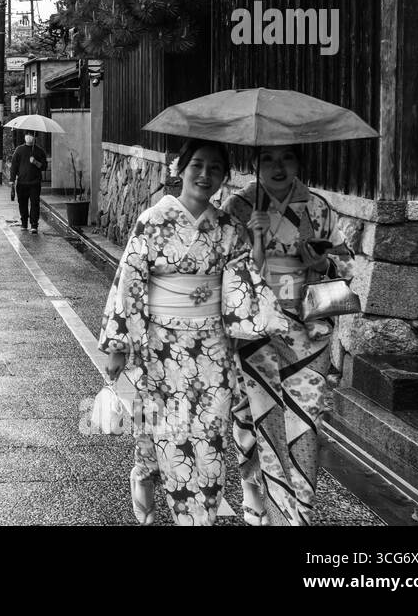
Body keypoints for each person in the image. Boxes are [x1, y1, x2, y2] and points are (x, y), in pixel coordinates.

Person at [100, 139, 285, 526]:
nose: (205, 175)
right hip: (161, 348)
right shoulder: (152, 220)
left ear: (225, 177)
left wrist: (259, 243)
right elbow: (130, 282)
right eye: (197, 165)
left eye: (215, 168)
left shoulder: (230, 228)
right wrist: (119, 346)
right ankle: (147, 477)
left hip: (213, 349)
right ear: (179, 168)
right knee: (165, 430)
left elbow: (242, 285)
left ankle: (198, 517)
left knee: (210, 436)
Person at [221, 145, 349, 526]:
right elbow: (225, 271)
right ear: (255, 165)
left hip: (307, 330)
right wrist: (254, 242)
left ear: (299, 164)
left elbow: (346, 264)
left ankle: (298, 517)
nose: (278, 168)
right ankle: (254, 490)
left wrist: (323, 262)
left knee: (305, 422)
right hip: (254, 327)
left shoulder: (319, 207)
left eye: (287, 159)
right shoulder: (238, 207)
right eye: (267, 160)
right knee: (253, 416)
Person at [9, 131, 47, 234]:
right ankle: (24, 223)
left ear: (35, 137)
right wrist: (12, 180)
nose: (29, 137)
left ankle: (34, 224)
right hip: (21, 182)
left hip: (35, 183)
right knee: (22, 204)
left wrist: (35, 162)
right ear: (25, 136)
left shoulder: (39, 151)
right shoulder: (19, 150)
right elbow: (14, 166)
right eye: (28, 134)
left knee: (35, 204)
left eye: (31, 135)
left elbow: (44, 166)